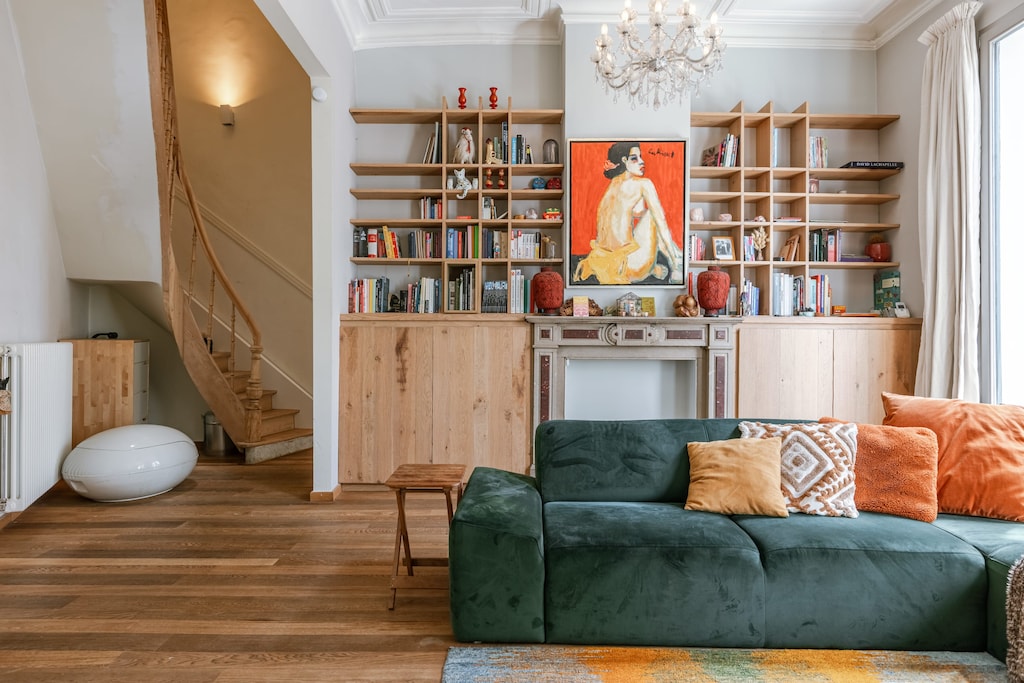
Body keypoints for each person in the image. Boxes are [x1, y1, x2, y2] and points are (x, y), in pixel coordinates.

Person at [574, 142, 683, 285]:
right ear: (624, 161)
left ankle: (660, 264)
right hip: (628, 268)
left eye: (640, 157)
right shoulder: (644, 184)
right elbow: (660, 222)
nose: (642, 161)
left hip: (602, 264)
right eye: (634, 158)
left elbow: (635, 212)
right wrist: (673, 256)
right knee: (653, 216)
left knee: (647, 215)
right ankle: (676, 263)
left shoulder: (613, 185)